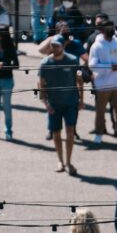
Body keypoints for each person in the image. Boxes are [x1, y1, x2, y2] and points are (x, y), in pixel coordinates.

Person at [38, 35, 83, 174]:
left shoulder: (73, 60)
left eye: (57, 45)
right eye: (52, 45)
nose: (54, 48)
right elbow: (41, 84)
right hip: (54, 104)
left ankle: (69, 162)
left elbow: (79, 80)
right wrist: (45, 103)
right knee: (56, 133)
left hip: (70, 103)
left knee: (70, 132)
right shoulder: (45, 63)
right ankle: (60, 161)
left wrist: (81, 99)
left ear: (63, 46)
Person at [89, 19, 117, 145]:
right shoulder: (97, 46)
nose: (111, 30)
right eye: (108, 28)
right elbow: (92, 65)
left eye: (112, 27)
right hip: (103, 84)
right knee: (100, 111)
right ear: (102, 30)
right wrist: (109, 67)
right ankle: (99, 133)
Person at [0, 28, 19, 141]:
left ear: (3, 36)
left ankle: (8, 131)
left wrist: (4, 64)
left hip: (7, 80)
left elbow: (16, 65)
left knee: (6, 107)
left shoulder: (10, 48)